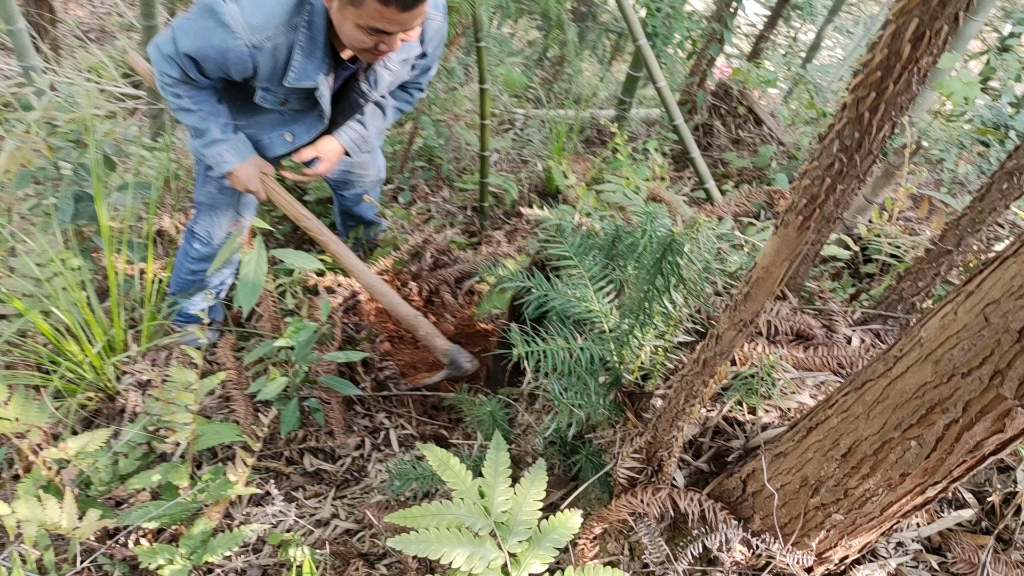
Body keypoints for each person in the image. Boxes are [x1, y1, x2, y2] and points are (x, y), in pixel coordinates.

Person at [147, 0, 447, 346]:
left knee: (363, 184)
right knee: (220, 227)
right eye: (375, 31)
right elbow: (171, 61)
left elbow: (408, 86)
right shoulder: (250, 24)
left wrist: (344, 140)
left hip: (347, 116)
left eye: (407, 31)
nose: (394, 46)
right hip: (250, 121)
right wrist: (228, 152)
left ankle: (368, 260)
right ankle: (189, 329)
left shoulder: (427, 12)